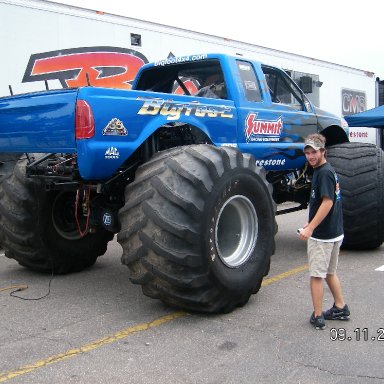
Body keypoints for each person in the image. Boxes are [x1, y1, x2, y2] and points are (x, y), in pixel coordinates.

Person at [298, 133, 350, 330]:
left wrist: (311, 228)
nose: (310, 156)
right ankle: (340, 306)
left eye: (314, 152)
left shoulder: (324, 173)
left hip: (324, 236)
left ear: (323, 151)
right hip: (334, 231)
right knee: (329, 272)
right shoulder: (324, 170)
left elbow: (328, 202)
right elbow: (321, 203)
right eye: (307, 153)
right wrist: (309, 221)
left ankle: (318, 316)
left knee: (317, 275)